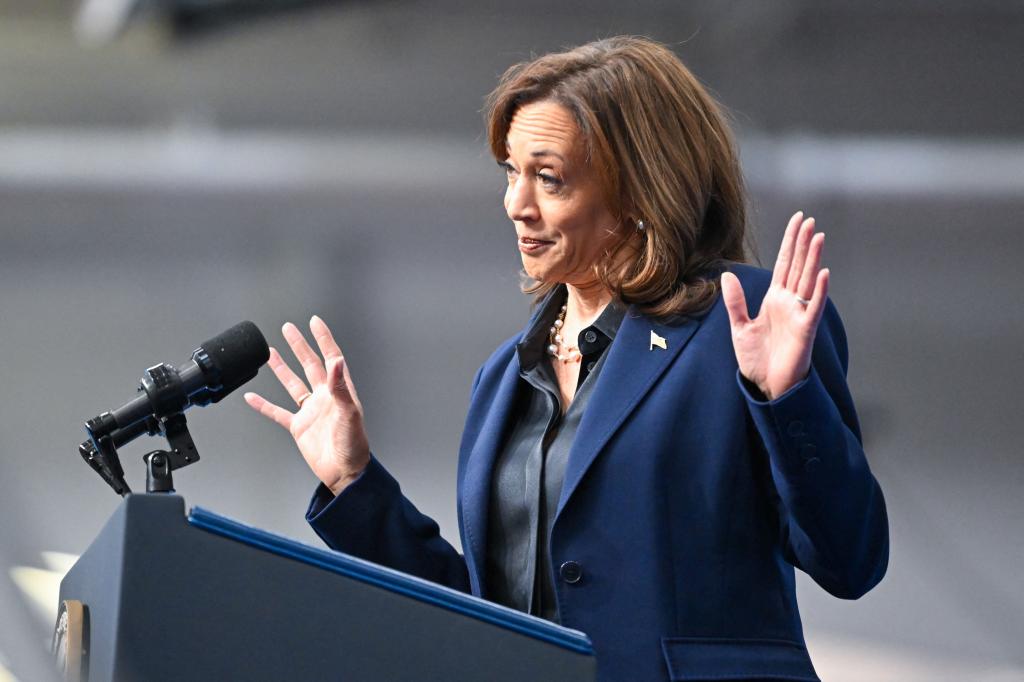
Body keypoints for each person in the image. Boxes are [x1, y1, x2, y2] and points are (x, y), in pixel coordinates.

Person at [244, 36, 888, 682]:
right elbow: (481, 615)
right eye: (510, 172)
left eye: (547, 178)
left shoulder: (740, 317)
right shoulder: (503, 378)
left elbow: (851, 561)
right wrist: (354, 484)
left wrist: (789, 400)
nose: (515, 205)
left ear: (639, 190)